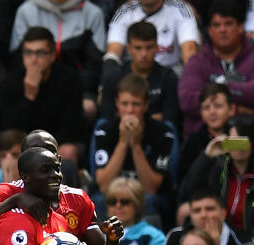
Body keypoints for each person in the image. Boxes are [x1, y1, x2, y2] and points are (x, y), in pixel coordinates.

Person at [93, 74, 175, 227]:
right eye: (124, 103)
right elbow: (103, 184)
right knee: (99, 199)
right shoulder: (105, 130)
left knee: (149, 200)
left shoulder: (163, 133)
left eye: (135, 104)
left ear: (145, 105)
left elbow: (151, 188)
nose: (129, 110)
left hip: (147, 195)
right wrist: (123, 143)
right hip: (113, 191)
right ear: (117, 104)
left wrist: (136, 145)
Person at [0, 26, 85, 162]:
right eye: (28, 53)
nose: (33, 59)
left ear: (52, 55)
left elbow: (72, 129)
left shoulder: (69, 79)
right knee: (10, 152)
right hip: (23, 146)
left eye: (40, 53)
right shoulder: (11, 81)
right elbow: (10, 131)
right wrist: (29, 97)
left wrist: (43, 149)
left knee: (68, 151)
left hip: (58, 144)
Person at [9, 0, 106, 120]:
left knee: (87, 108)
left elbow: (94, 62)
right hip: (35, 82)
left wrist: (87, 92)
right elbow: (17, 57)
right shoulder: (26, 11)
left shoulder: (92, 13)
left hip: (78, 87)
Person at [178, 1, 254, 136]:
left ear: (241, 27)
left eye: (228, 24)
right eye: (216, 25)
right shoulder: (198, 61)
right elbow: (187, 100)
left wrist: (221, 90)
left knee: (238, 149)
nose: (222, 30)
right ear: (209, 30)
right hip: (205, 141)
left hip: (248, 139)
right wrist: (234, 109)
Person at [178, 116, 254, 231]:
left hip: (250, 238)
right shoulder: (220, 169)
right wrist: (207, 156)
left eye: (242, 141)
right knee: (185, 209)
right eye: (233, 141)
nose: (238, 148)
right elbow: (188, 190)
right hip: (221, 232)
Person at [99, 21, 180, 127]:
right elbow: (106, 117)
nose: (144, 54)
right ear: (128, 49)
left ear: (157, 48)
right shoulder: (113, 77)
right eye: (138, 48)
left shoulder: (169, 77)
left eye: (149, 47)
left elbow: (171, 119)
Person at [106, 0, 200, 75]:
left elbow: (189, 49)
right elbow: (113, 53)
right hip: (132, 78)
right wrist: (106, 83)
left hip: (172, 76)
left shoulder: (181, 9)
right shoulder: (124, 11)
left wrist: (190, 82)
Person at [178, 83, 236, 183]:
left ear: (231, 109)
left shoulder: (240, 138)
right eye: (206, 107)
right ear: (201, 112)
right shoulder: (192, 143)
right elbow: (184, 185)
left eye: (218, 106)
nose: (212, 112)